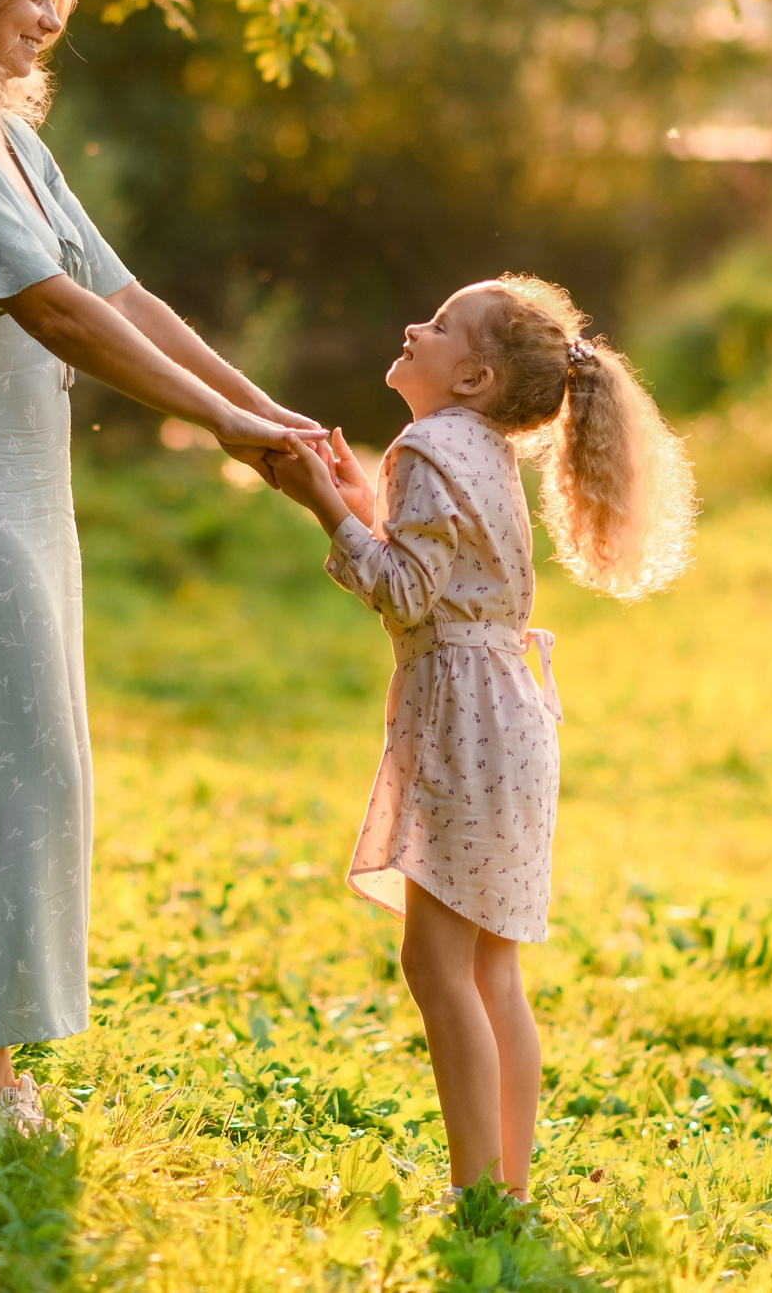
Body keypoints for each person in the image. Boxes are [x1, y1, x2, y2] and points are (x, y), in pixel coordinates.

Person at [0, 0, 320, 1127]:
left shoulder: (5, 134)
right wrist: (220, 426)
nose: (52, 14)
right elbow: (48, 310)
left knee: (33, 766)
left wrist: (262, 414)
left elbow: (118, 295)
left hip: (22, 492)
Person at [268, 276, 694, 1197]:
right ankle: (506, 1187)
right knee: (490, 962)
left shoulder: (426, 444)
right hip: (511, 714)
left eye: (443, 325)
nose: (416, 325)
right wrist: (362, 506)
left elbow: (410, 593)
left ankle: (477, 1190)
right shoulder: (482, 447)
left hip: (464, 717)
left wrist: (326, 507)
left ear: (475, 375)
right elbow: (441, 574)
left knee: (435, 959)